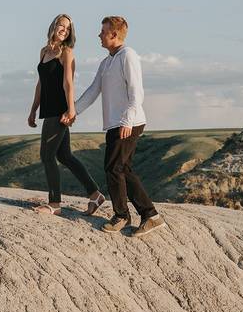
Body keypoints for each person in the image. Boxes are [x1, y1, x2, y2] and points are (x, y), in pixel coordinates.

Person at [69, 16, 165, 237]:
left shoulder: (127, 56)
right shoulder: (107, 62)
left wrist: (127, 120)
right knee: (123, 169)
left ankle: (121, 215)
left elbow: (136, 92)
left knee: (113, 168)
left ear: (114, 34)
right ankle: (150, 216)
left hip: (128, 122)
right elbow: (94, 90)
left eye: (102, 32)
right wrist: (74, 111)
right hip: (115, 123)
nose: (99, 35)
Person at [27, 13, 106, 216]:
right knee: (65, 155)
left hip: (59, 110)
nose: (64, 30)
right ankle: (95, 195)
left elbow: (68, 83)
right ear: (53, 26)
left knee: (47, 156)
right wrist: (33, 109)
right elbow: (40, 83)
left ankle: (54, 204)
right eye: (61, 26)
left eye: (68, 28)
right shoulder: (44, 51)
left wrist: (71, 109)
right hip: (47, 109)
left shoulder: (66, 52)